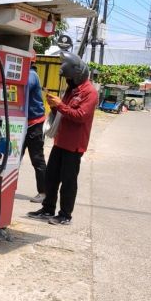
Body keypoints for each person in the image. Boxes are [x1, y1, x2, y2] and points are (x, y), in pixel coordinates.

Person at [27, 52, 97, 225]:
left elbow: (80, 116)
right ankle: (47, 209)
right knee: (51, 177)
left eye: (69, 78)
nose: (67, 81)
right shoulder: (71, 89)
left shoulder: (90, 92)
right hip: (60, 141)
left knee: (68, 181)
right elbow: (64, 112)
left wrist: (60, 105)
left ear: (77, 75)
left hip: (74, 145)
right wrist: (55, 106)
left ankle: (65, 215)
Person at [22, 56, 47, 203]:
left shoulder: (31, 75)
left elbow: (24, 86)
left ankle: (44, 193)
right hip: (22, 124)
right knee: (14, 158)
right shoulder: (27, 74)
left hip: (34, 125)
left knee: (37, 159)